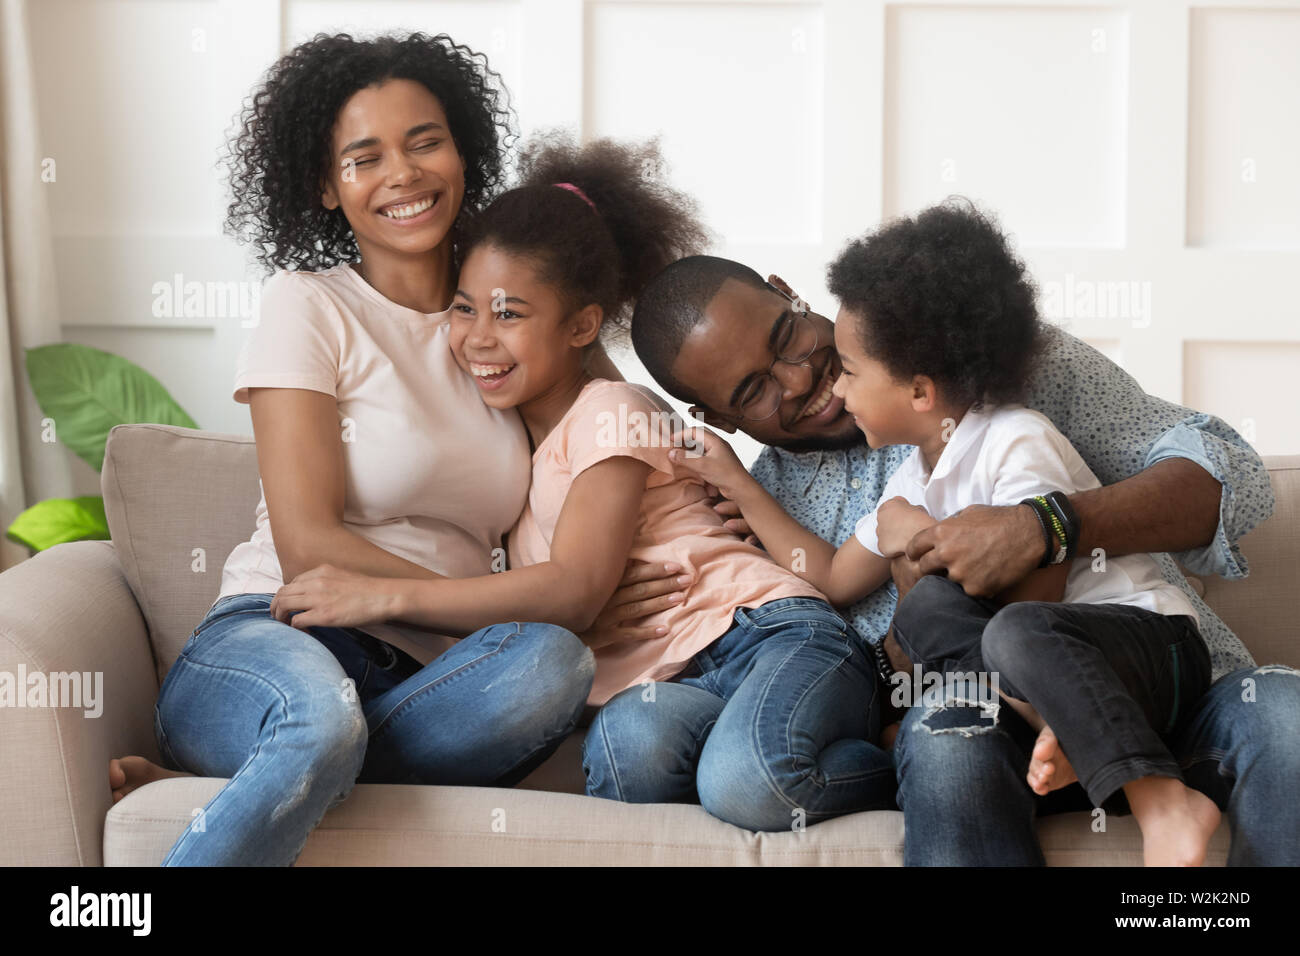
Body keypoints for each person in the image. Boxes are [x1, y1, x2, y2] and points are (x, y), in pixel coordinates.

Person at [106, 33, 642, 865]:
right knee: (320, 715)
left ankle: (254, 780)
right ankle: (276, 753)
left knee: (552, 663)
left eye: (425, 140)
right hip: (280, 633)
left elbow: (620, 422)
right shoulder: (310, 305)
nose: (404, 173)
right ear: (326, 185)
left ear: (463, 151)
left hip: (436, 679)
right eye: (365, 157)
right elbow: (307, 548)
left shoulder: (514, 321)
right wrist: (447, 604)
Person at [270, 134, 897, 832]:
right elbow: (559, 606)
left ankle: (894, 757)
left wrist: (383, 595)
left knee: (750, 785)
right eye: (464, 308)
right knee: (628, 756)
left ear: (582, 327)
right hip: (671, 681)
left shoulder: (612, 412)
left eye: (508, 313)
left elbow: (573, 589)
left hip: (762, 634)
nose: (479, 336)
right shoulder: (514, 464)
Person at [625, 239, 1300, 865]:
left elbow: (1226, 473)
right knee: (944, 739)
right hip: (988, 736)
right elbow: (844, 671)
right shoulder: (768, 519)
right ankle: (1058, 728)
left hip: (1160, 681)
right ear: (715, 419)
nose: (798, 382)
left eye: (786, 339)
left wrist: (1049, 526)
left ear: (788, 291)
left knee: (1283, 713)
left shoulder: (996, 363)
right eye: (753, 391)